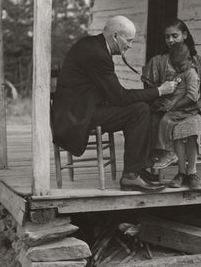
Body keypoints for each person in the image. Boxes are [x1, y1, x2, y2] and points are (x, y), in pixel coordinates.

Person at [52, 15, 178, 192]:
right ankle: (131, 176)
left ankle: (137, 169)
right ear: (115, 36)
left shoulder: (93, 45)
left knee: (140, 108)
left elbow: (113, 93)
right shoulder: (98, 54)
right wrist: (159, 91)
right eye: (129, 40)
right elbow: (120, 97)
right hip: (76, 116)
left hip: (82, 107)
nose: (130, 46)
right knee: (139, 110)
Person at [142, 18, 201, 186]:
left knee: (191, 124)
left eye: (175, 36)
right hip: (163, 110)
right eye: (167, 37)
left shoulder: (196, 61)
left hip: (189, 109)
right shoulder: (157, 61)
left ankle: (190, 173)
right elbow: (149, 93)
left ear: (185, 35)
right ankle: (165, 162)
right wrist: (160, 105)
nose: (170, 40)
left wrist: (194, 107)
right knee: (158, 122)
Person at [153, 42, 201, 189]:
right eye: (174, 65)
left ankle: (192, 173)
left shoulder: (191, 73)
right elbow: (175, 93)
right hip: (176, 113)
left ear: (190, 60)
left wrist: (173, 104)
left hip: (189, 113)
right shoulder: (178, 73)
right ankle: (171, 157)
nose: (177, 68)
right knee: (164, 122)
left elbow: (192, 96)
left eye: (180, 65)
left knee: (190, 129)